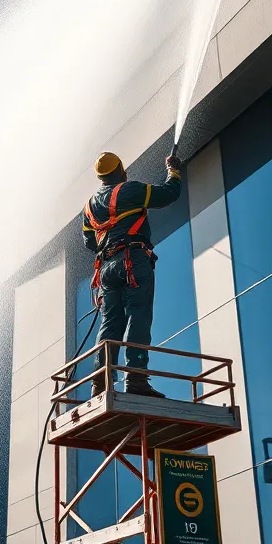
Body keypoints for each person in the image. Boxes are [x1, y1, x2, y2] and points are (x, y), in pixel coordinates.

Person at [82, 150, 182, 399]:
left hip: (106, 268)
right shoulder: (129, 190)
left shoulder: (89, 207)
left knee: (110, 323)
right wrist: (173, 171)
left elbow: (89, 242)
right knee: (138, 314)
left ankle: (100, 383)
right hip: (132, 259)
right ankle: (136, 379)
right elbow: (169, 194)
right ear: (121, 171)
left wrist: (110, 242)